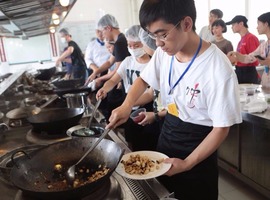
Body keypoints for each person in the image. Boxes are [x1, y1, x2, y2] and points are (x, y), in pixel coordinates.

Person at [106, 0, 242, 199]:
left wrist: (187, 163)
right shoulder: (165, 53)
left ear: (186, 24)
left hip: (198, 148)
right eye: (153, 36)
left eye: (163, 34)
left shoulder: (218, 68)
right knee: (163, 193)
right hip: (168, 135)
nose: (158, 43)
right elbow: (144, 79)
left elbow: (221, 128)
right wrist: (127, 105)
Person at [96, 25, 160, 151]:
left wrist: (128, 104)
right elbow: (114, 80)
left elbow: (149, 94)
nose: (132, 48)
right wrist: (104, 88)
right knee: (131, 139)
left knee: (147, 142)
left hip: (146, 107)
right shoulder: (128, 61)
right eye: (129, 45)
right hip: (128, 105)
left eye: (136, 45)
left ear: (145, 43)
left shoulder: (153, 63)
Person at [86, 14, 130, 120]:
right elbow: (110, 61)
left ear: (108, 28)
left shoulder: (120, 43)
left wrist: (100, 79)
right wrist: (95, 73)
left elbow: (118, 71)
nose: (102, 35)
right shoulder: (119, 40)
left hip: (126, 82)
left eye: (102, 31)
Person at [228, 12, 270, 89]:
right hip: (266, 83)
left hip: (249, 73)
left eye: (258, 24)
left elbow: (255, 62)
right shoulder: (264, 45)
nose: (257, 27)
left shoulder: (251, 38)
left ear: (266, 24)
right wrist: (236, 54)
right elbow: (249, 58)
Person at [226, 15, 260, 84]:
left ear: (241, 24)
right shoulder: (241, 40)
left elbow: (255, 59)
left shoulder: (251, 38)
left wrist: (236, 59)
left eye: (233, 24)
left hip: (248, 73)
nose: (231, 27)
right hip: (240, 71)